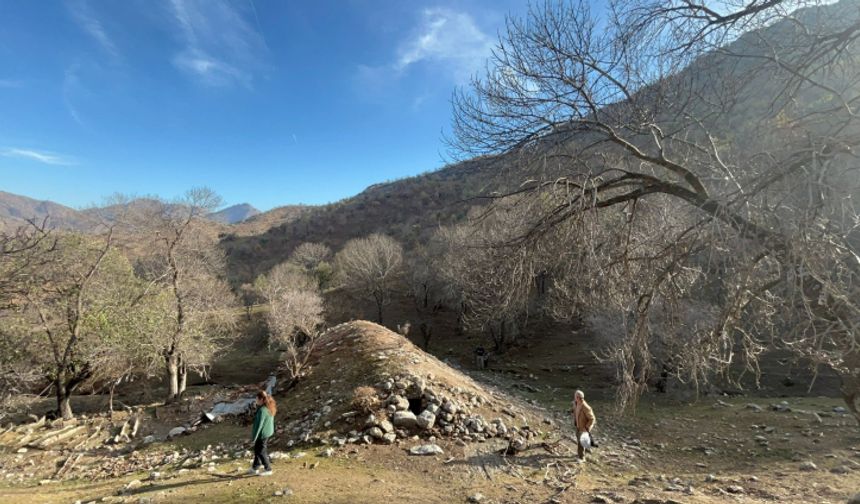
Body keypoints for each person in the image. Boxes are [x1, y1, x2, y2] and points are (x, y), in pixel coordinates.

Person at [249, 390, 276, 476]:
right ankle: (255, 467)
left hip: (263, 434)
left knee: (261, 451)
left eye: (257, 399)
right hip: (267, 432)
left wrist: (254, 438)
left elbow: (259, 426)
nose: (256, 401)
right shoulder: (268, 406)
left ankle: (268, 469)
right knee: (257, 450)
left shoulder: (262, 410)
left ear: (261, 399)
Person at [572, 389, 596, 460]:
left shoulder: (586, 407)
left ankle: (582, 458)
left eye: (575, 396)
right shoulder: (576, 403)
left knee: (580, 443)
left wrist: (586, 427)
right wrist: (571, 411)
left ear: (578, 397)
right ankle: (587, 449)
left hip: (583, 428)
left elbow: (592, 419)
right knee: (579, 438)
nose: (574, 397)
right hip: (578, 426)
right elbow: (574, 409)